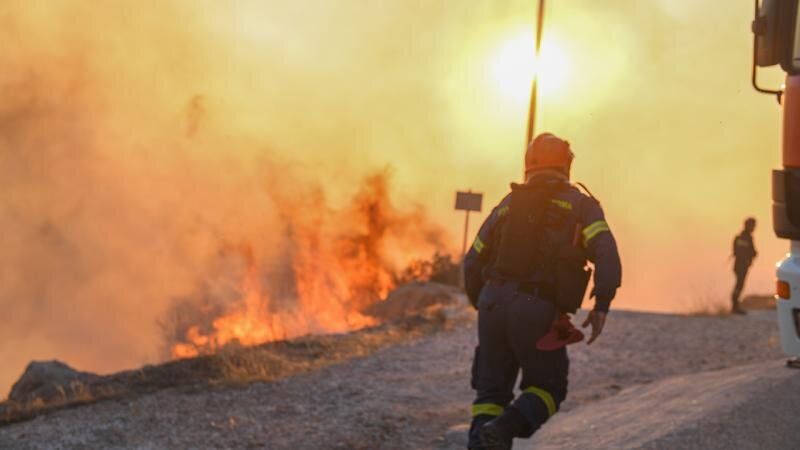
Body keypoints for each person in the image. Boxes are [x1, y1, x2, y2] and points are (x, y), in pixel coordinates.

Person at [463, 133, 622, 450]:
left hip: (491, 303)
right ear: (566, 164)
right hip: (536, 308)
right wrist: (602, 304)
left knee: (490, 397)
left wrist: (484, 304)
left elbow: (472, 260)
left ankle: (486, 437)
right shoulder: (581, 205)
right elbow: (606, 252)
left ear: (528, 164)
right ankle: (505, 427)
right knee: (548, 387)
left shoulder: (507, 205)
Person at [731, 217, 757, 315]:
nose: (754, 227)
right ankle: (735, 306)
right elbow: (747, 252)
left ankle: (735, 306)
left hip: (740, 265)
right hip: (741, 265)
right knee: (739, 285)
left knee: (739, 285)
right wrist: (753, 254)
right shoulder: (745, 238)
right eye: (753, 225)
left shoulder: (741, 237)